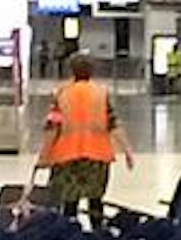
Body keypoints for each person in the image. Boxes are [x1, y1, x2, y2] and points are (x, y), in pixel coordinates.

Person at [40, 52, 129, 225]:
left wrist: (43, 157)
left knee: (69, 202)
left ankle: (70, 238)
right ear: (92, 70)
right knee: (95, 201)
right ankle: (98, 237)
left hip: (67, 156)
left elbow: (53, 127)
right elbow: (113, 123)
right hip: (97, 156)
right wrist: (127, 151)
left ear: (71, 70)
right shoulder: (100, 93)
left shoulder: (62, 93)